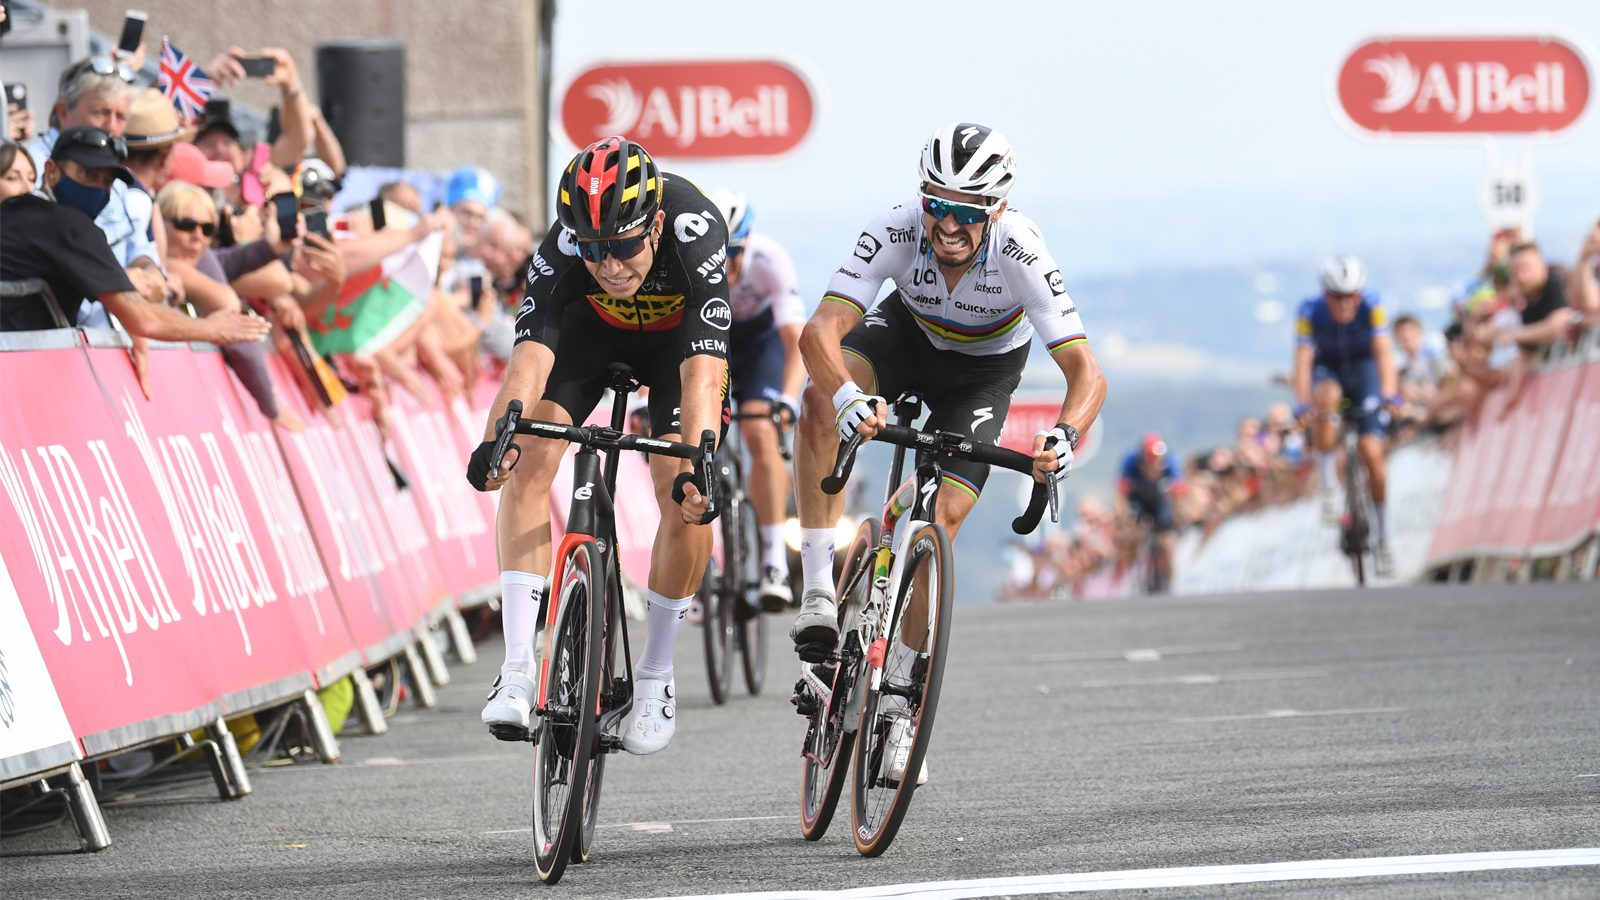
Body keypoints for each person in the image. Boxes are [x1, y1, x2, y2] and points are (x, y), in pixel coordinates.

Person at [786, 122, 1107, 785]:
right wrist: (847, 396)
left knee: (943, 522)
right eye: (938, 204)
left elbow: (1087, 375)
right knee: (818, 403)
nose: (949, 224)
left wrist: (1065, 434)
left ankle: (903, 708)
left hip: (982, 376)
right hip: (905, 337)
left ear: (999, 209)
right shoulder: (897, 229)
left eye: (968, 210)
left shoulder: (1021, 250)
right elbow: (821, 330)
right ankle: (819, 589)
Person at [465, 136, 729, 756]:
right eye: (594, 250)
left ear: (656, 225)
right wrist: (495, 435)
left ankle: (658, 676)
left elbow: (701, 371)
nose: (611, 265)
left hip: (675, 354)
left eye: (626, 246)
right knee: (527, 457)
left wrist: (699, 461)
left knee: (681, 486)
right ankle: (518, 667)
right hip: (590, 339)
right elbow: (529, 360)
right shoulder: (560, 246)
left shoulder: (696, 229)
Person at [1, 125, 267, 354]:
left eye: (106, 181)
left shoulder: (15, 213)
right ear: (51, 172)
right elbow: (144, 319)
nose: (96, 189)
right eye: (87, 174)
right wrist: (213, 328)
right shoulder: (73, 227)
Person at [708, 189, 805, 610]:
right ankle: (703, 568)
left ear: (747, 243)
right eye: (715, 252)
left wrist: (787, 399)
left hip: (763, 342)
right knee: (693, 434)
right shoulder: (689, 263)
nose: (724, 263)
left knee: (760, 431)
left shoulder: (770, 261)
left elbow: (796, 342)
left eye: (733, 252)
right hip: (714, 338)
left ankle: (772, 560)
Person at [1292, 255, 1400, 577]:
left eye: (1351, 296)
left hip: (1363, 371)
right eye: (1337, 297)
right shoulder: (1308, 310)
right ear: (1326, 295)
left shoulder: (1372, 305)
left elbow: (1384, 353)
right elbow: (1302, 361)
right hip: (1329, 370)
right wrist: (1302, 403)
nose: (1344, 304)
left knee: (1371, 452)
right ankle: (1328, 485)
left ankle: (1383, 536)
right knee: (1326, 399)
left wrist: (1391, 394)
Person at [1118, 433, 1185, 590]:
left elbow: (1178, 494)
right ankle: (1132, 572)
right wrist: (1125, 518)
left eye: (1157, 463)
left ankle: (1171, 579)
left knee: (1166, 539)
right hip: (1139, 496)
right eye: (1150, 464)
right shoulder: (1130, 462)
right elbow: (1121, 493)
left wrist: (1176, 515)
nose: (1154, 467)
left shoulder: (1171, 463)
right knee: (1133, 530)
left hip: (1160, 497)